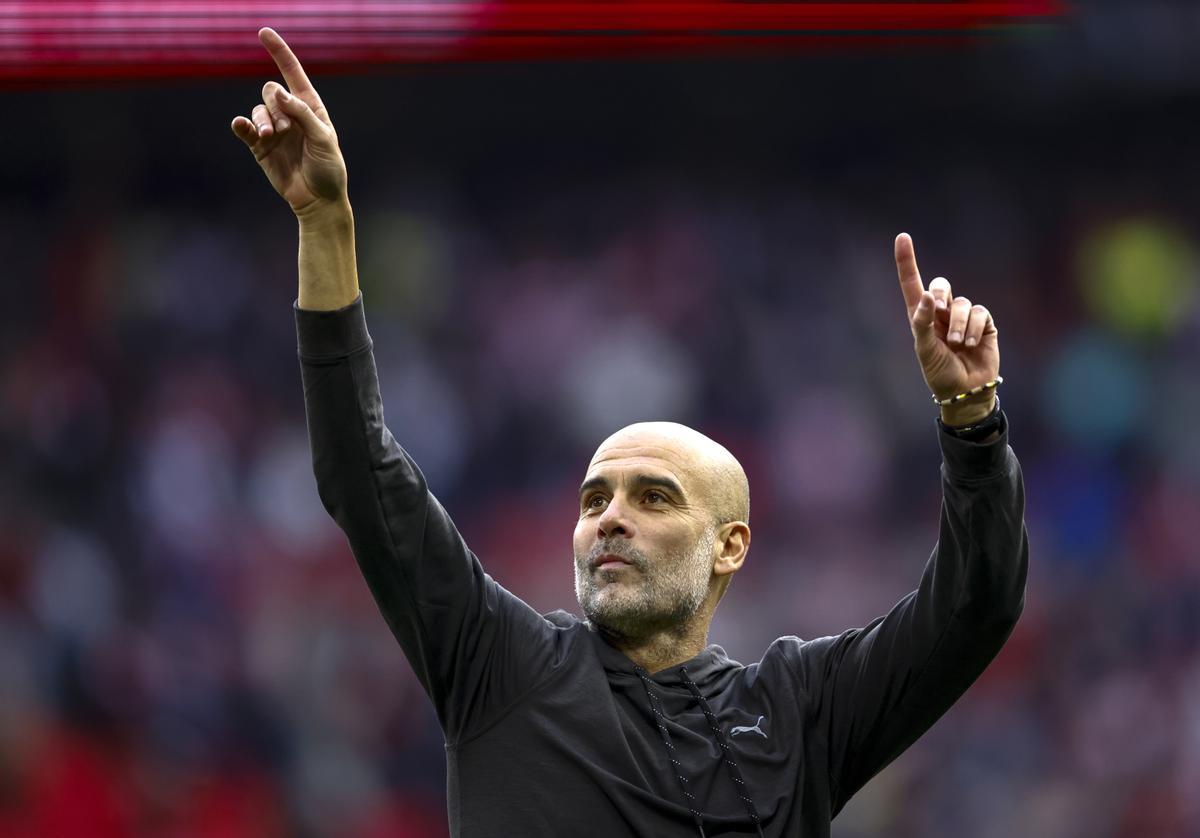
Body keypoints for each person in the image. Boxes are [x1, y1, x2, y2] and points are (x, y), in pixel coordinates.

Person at [231, 28, 1028, 838]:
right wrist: (325, 224)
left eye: (653, 497)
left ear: (729, 545)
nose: (609, 518)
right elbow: (361, 473)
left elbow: (977, 605)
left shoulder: (800, 710)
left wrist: (972, 423)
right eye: (593, 500)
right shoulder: (502, 666)